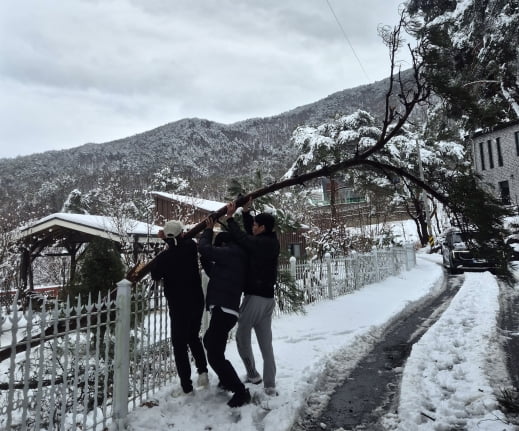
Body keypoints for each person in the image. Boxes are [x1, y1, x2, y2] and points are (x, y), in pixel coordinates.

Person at [225, 199, 280, 396]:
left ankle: (253, 374)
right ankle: (270, 384)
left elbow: (245, 239)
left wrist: (230, 219)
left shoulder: (263, 243)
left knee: (241, 336)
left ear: (263, 227)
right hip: (267, 299)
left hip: (255, 298)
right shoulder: (270, 240)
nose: (253, 227)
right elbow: (251, 234)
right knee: (266, 343)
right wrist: (246, 213)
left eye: (256, 224)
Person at [150, 220, 208, 395]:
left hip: (178, 306)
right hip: (196, 302)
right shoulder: (190, 247)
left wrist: (166, 243)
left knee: (179, 345)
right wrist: (169, 239)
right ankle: (203, 371)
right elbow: (183, 242)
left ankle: (186, 385)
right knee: (193, 336)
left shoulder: (163, 259)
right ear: (182, 234)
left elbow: (155, 275)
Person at [198, 217, 251, 407]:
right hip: (224, 309)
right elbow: (214, 272)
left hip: (224, 309)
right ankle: (226, 379)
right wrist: (205, 258)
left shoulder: (231, 253)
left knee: (214, 353)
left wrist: (208, 230)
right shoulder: (233, 259)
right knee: (211, 344)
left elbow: (206, 249)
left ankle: (239, 390)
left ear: (223, 245)